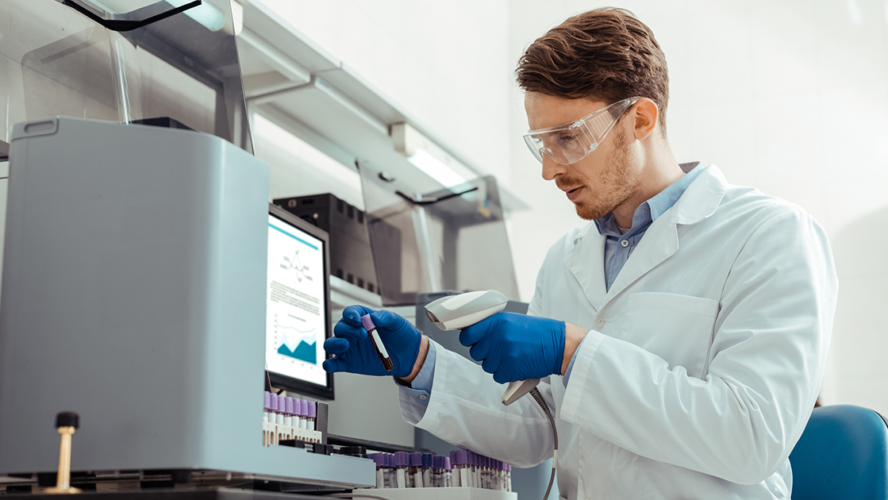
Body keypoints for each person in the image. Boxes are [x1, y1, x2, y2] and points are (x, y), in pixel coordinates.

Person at [323, 8, 837, 500]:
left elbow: (751, 436)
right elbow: (536, 427)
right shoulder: (566, 257)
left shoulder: (769, 235)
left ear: (640, 119)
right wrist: (420, 364)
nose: (550, 170)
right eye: (541, 143)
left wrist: (573, 351)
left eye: (568, 138)